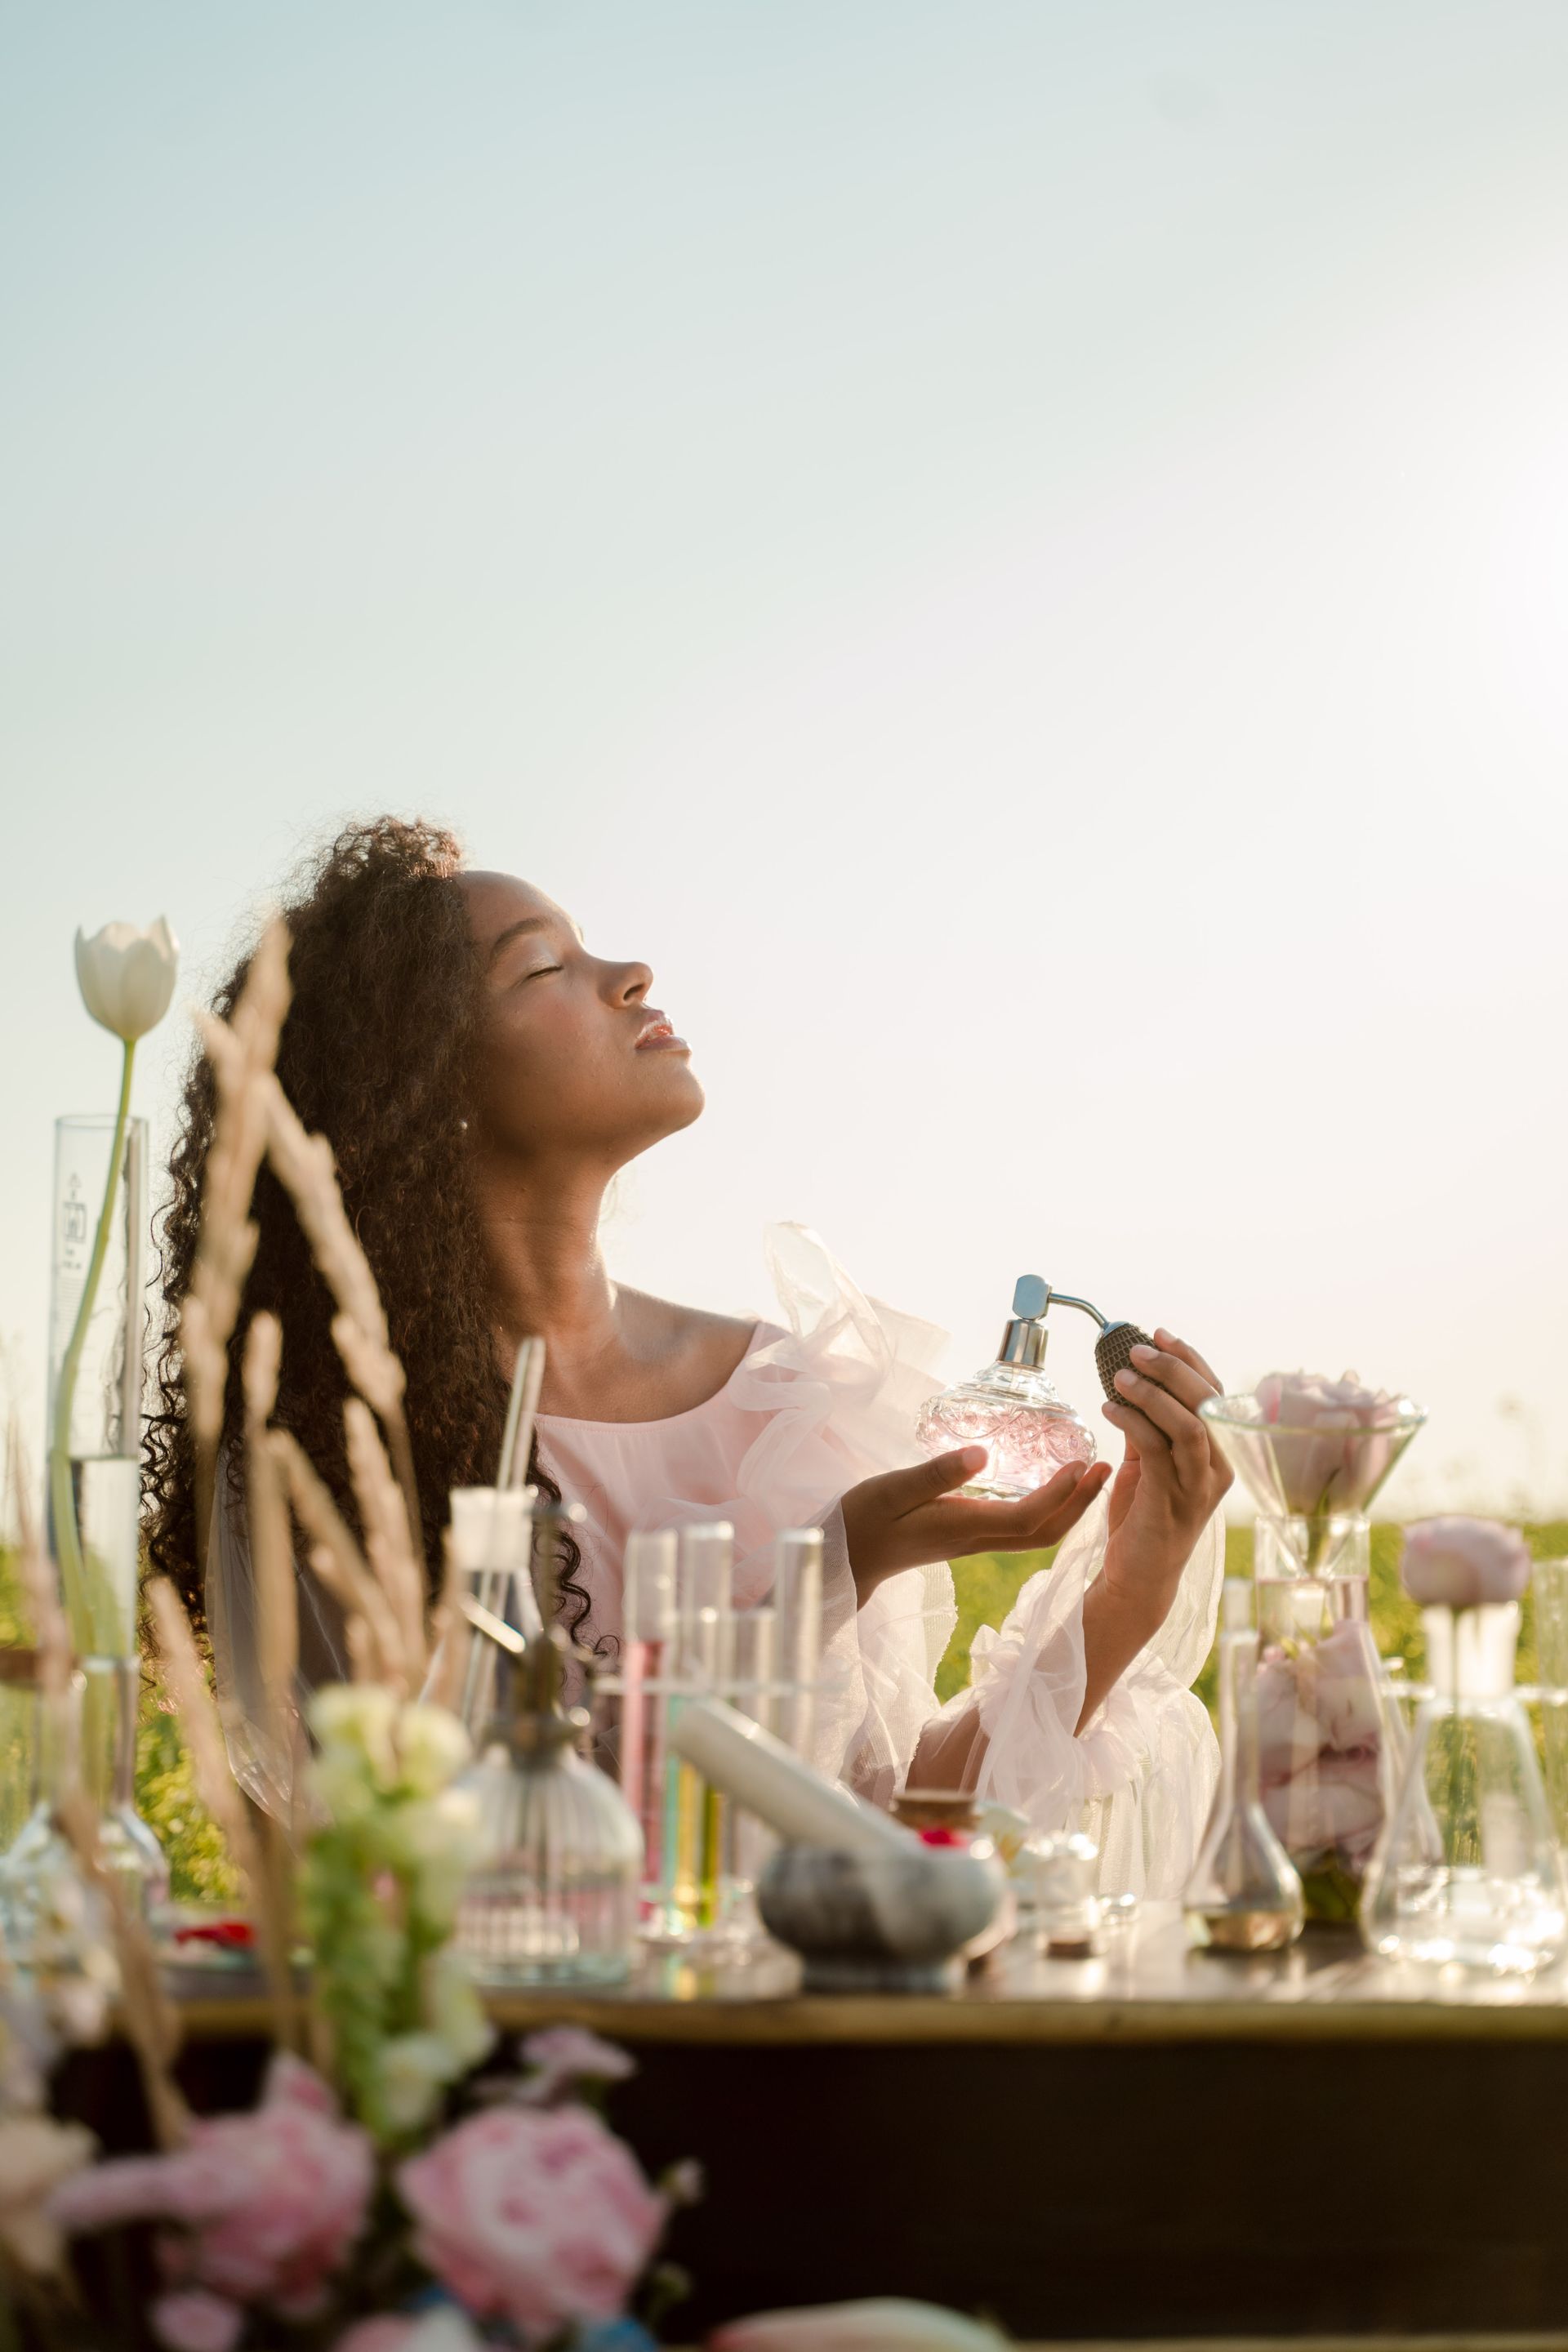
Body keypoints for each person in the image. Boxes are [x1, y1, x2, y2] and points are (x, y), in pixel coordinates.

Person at [148, 818, 1231, 1893]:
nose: (632, 973)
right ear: (423, 1094)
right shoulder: (340, 1465)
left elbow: (892, 1836)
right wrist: (815, 1584)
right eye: (545, 966)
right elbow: (496, 1888)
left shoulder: (792, 1396)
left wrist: (1131, 1589)